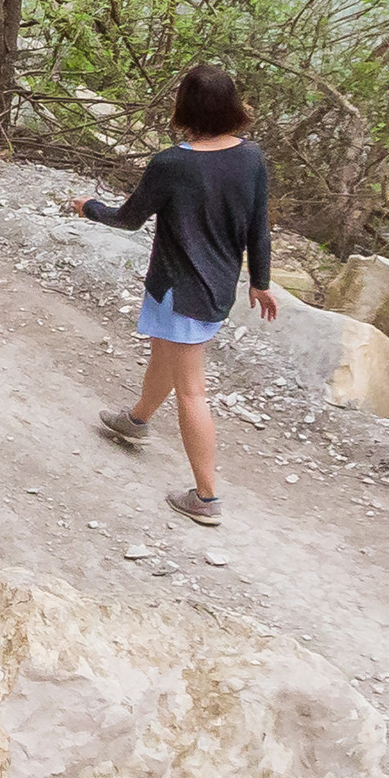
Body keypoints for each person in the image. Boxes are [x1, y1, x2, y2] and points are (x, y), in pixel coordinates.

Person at [79, 64, 274, 525]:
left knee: (192, 391)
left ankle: (206, 498)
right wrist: (260, 282)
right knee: (165, 355)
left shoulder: (173, 162)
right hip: (217, 289)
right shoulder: (251, 157)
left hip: (177, 289)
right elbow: (258, 227)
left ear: (186, 107)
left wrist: (88, 207)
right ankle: (137, 420)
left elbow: (128, 218)